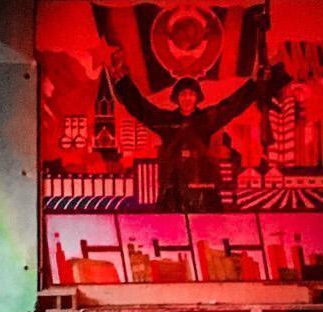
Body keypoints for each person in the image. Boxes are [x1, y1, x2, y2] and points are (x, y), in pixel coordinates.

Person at [111, 54, 288, 211]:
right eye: (183, 94)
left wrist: (255, 84)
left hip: (202, 189)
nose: (187, 98)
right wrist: (123, 82)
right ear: (177, 98)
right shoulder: (165, 121)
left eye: (191, 94)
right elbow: (142, 109)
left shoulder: (206, 120)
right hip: (173, 191)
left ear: (197, 98)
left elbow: (233, 105)